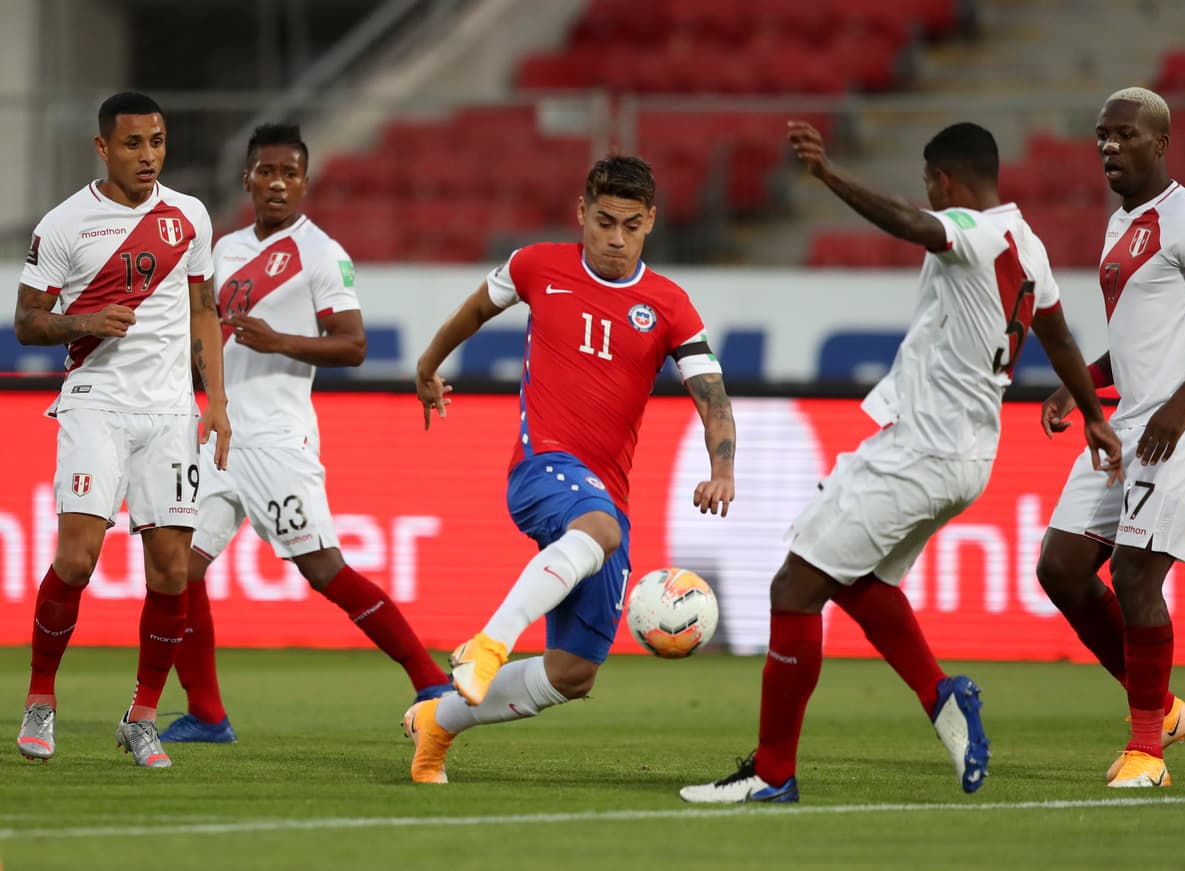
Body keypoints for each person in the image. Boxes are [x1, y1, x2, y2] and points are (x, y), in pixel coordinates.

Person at [680, 121, 1124, 803]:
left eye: (929, 182)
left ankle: (773, 774)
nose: (928, 194)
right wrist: (1093, 412)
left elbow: (915, 226)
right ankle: (940, 693)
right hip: (968, 454)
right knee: (853, 579)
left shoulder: (968, 233)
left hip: (921, 445)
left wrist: (829, 177)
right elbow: (1059, 335)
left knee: (793, 588)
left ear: (945, 180)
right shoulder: (1025, 243)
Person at [403, 155, 737, 784]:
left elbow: (713, 398)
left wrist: (724, 468)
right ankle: (489, 643)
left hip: (606, 498)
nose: (615, 237)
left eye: (630, 225)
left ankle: (437, 724)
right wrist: (427, 366)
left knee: (573, 673)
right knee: (600, 528)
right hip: (541, 467)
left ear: (651, 224)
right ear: (581, 213)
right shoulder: (537, 266)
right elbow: (475, 311)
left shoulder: (669, 305)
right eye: (604, 221)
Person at [159, 123, 452, 744]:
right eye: (267, 171)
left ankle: (429, 678)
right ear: (248, 179)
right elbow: (204, 336)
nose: (277, 183)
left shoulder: (322, 254)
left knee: (322, 569)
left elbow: (354, 344)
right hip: (218, 435)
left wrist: (277, 340)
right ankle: (208, 714)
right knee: (178, 571)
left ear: (305, 184)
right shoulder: (224, 250)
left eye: (290, 173)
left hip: (274, 438)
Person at [1036, 87, 1185, 789]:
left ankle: (1147, 755)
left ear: (1159, 142)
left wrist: (1181, 404)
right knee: (1061, 567)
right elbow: (1138, 335)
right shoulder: (1122, 221)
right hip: (1131, 420)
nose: (1107, 147)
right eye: (1101, 136)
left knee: (1134, 573)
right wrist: (1084, 382)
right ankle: (1159, 707)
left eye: (1123, 135)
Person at [12, 92, 231, 768]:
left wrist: (216, 398)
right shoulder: (64, 224)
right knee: (77, 557)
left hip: (168, 411)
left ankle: (141, 715)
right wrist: (84, 322)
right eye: (134, 144)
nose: (148, 156)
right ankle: (41, 699)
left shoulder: (190, 216)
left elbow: (203, 311)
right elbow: (26, 322)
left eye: (158, 142)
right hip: (95, 400)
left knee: (170, 572)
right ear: (103, 148)